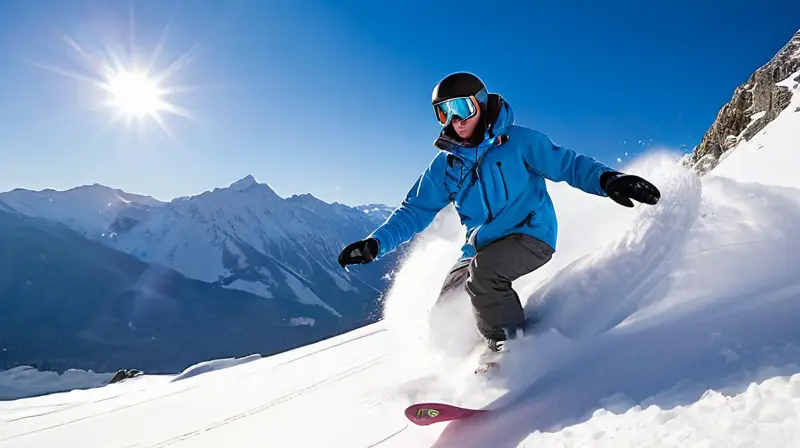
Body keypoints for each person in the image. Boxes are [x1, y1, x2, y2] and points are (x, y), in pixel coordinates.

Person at [338, 72, 660, 355]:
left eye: (462, 108)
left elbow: (568, 165)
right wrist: (374, 244)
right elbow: (414, 211)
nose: (456, 120)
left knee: (484, 275)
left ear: (480, 104)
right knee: (446, 314)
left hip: (530, 233)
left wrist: (608, 180)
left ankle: (513, 347)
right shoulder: (447, 166)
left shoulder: (519, 141)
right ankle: (482, 342)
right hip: (480, 246)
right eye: (444, 113)